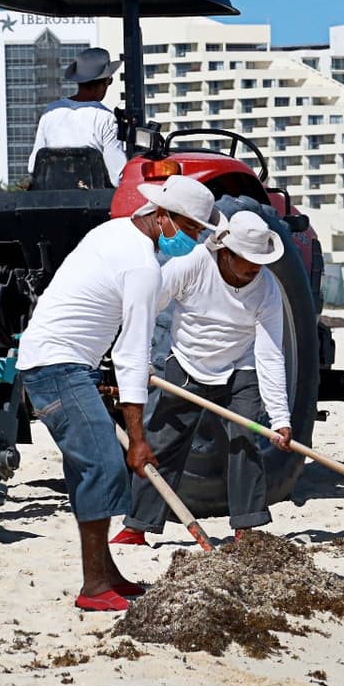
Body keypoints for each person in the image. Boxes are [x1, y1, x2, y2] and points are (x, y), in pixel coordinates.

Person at [17, 175, 221, 612]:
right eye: (188, 230)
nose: (192, 241)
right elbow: (131, 355)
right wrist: (140, 439)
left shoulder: (113, 232)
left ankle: (107, 574)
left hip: (57, 361)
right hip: (57, 366)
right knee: (105, 466)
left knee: (86, 469)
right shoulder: (143, 268)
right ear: (162, 216)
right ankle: (94, 588)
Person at [113, 209, 293, 546]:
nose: (256, 268)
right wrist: (134, 357)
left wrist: (280, 418)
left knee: (245, 437)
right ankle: (138, 525)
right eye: (248, 260)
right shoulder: (194, 262)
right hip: (187, 363)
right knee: (163, 442)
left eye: (260, 260)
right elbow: (148, 305)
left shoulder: (267, 287)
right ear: (225, 252)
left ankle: (246, 529)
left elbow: (270, 353)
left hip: (241, 368)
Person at [27, 47, 128, 187]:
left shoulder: (50, 112)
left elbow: (33, 167)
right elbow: (116, 176)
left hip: (52, 198)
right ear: (104, 82)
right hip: (93, 201)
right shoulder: (106, 118)